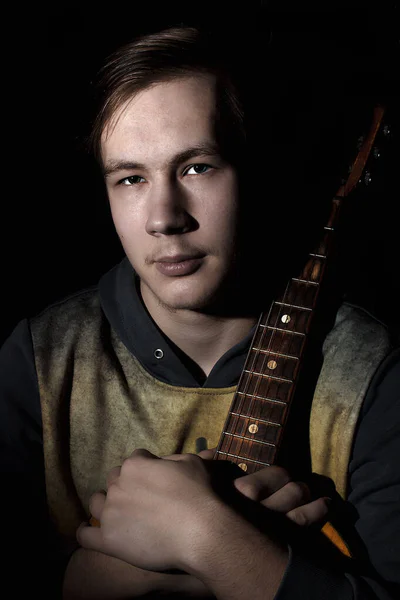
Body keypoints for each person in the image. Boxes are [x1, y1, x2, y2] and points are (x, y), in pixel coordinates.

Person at [1, 24, 398, 600]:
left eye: (197, 168)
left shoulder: (371, 372)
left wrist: (208, 536)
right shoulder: (39, 358)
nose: (164, 217)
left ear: (257, 171)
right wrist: (93, 580)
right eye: (131, 178)